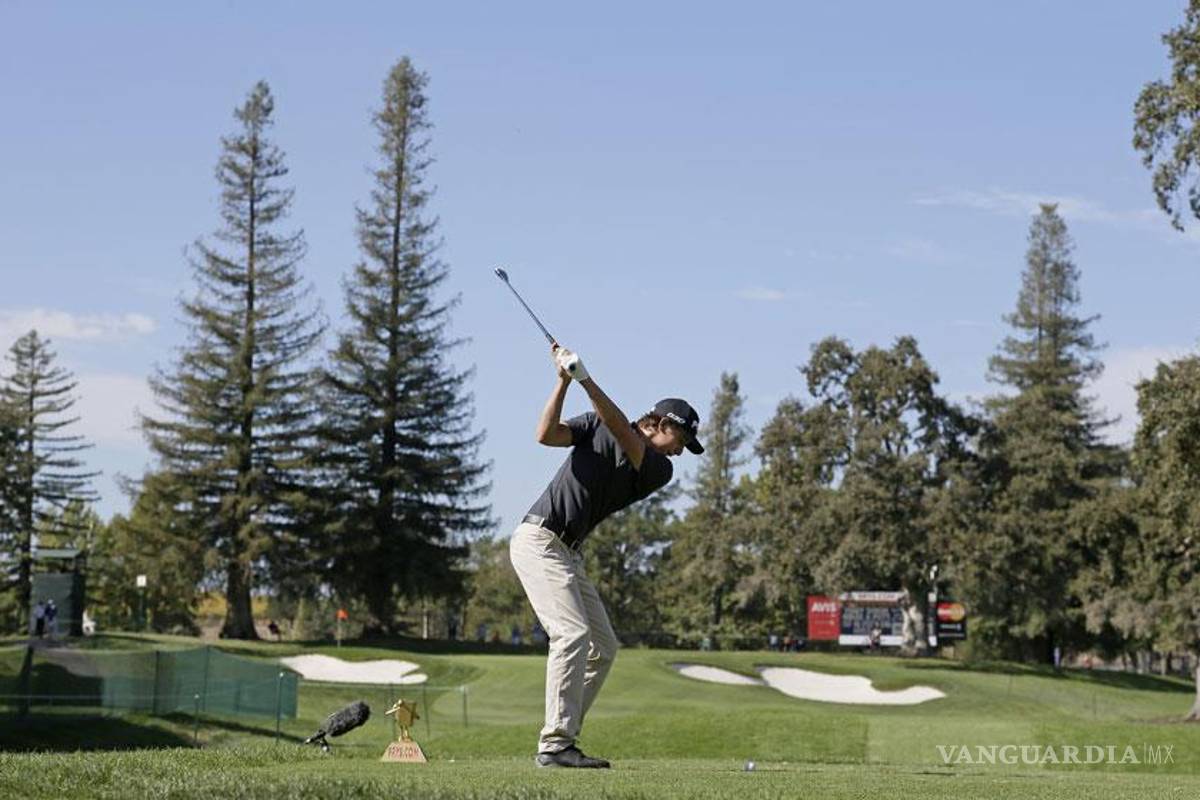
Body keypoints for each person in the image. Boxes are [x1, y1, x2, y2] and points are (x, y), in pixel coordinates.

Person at [509, 344, 703, 769]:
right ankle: (556, 744)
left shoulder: (657, 468)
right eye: (681, 439)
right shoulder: (595, 423)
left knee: (604, 646)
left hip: (567, 553)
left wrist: (585, 380)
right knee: (573, 635)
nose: (679, 451)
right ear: (660, 423)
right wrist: (562, 382)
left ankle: (563, 738)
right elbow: (546, 435)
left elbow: (622, 432)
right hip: (539, 541)